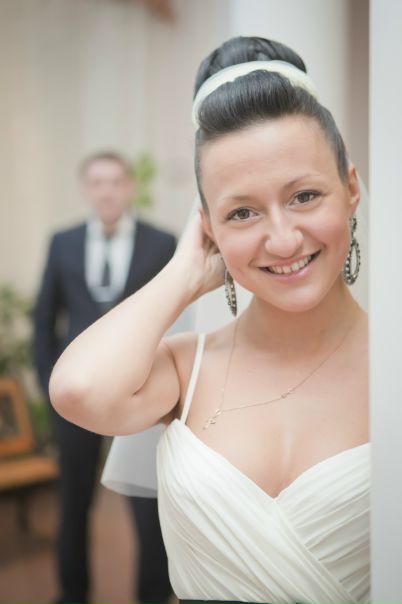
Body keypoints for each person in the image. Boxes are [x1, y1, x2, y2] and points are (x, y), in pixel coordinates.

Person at [48, 37, 369, 604]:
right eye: (242, 212)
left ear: (350, 188)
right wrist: (185, 274)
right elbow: (78, 390)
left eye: (304, 196)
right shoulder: (185, 367)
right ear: (208, 229)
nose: (282, 239)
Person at [33, 151, 176, 604]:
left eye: (115, 181)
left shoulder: (162, 242)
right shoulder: (63, 242)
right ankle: (72, 593)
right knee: (73, 499)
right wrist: (50, 386)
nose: (107, 191)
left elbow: (176, 319)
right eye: (97, 182)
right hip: (74, 396)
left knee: (146, 499)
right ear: (86, 189)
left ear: (129, 187)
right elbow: (44, 319)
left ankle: (153, 594)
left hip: (141, 392)